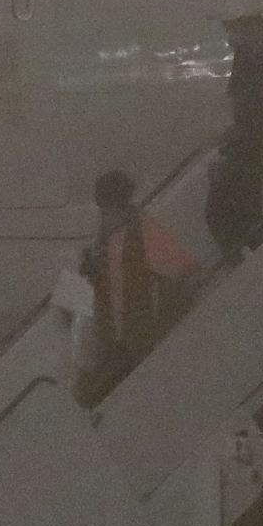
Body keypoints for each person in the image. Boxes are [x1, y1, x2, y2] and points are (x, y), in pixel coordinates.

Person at [75, 169, 197, 399]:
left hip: (138, 336)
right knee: (87, 393)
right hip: (116, 338)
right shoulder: (102, 240)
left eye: (105, 208)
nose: (103, 215)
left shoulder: (142, 230)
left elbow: (182, 268)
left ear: (116, 204)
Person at [206, 4, 263, 263]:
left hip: (253, 142)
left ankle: (247, 259)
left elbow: (258, 103)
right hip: (248, 141)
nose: (229, 35)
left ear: (250, 24)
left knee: (229, 211)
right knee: (228, 210)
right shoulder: (251, 52)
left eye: (232, 28)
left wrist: (237, 136)